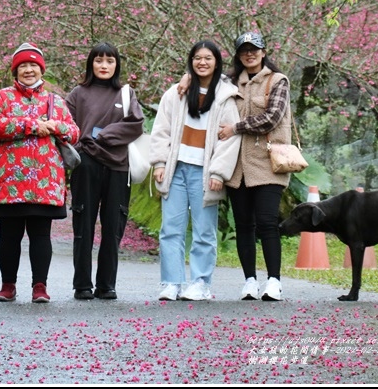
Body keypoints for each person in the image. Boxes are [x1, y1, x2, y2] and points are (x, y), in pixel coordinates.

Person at [0, 42, 80, 304]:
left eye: (33, 65)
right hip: (9, 180)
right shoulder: (1, 97)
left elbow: (73, 133)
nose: (28, 70)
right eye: (23, 66)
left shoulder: (55, 101)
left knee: (41, 235)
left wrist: (54, 125)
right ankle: (8, 285)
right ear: (15, 71)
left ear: (41, 69)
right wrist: (30, 125)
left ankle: (40, 286)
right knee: (9, 235)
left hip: (44, 181)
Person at [149, 40, 241, 301]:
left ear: (216, 62)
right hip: (176, 169)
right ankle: (171, 282)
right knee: (171, 228)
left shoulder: (225, 95)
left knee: (204, 230)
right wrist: (159, 163)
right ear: (191, 61)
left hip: (205, 172)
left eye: (208, 58)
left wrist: (218, 173)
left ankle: (201, 282)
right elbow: (161, 130)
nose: (202, 62)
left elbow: (230, 138)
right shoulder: (176, 92)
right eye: (197, 58)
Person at [64, 42, 145, 300]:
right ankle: (82, 284)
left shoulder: (125, 93)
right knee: (83, 224)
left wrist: (103, 136)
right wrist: (83, 146)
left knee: (113, 227)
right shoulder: (78, 93)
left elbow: (135, 125)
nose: (104, 66)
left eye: (109, 61)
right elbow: (67, 128)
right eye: (98, 61)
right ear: (91, 64)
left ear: (116, 65)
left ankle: (107, 284)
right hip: (86, 164)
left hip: (118, 166)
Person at [217, 31, 293, 301]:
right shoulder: (229, 83)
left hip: (268, 164)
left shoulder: (277, 80)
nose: (250, 54)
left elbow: (272, 118)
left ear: (263, 52)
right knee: (243, 226)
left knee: (268, 223)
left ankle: (274, 281)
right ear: (238, 55)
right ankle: (249, 280)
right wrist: (186, 79)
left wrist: (236, 127)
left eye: (255, 49)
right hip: (237, 166)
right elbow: (203, 81)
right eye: (244, 50)